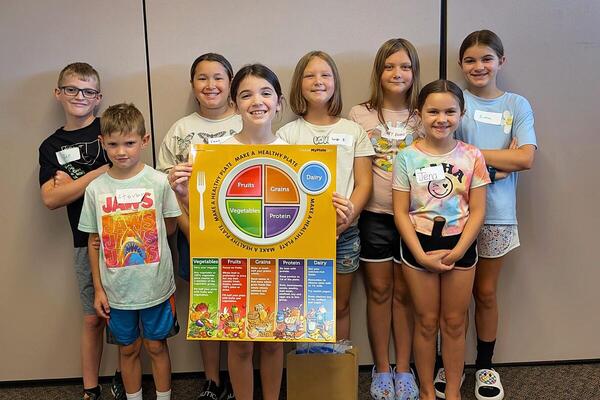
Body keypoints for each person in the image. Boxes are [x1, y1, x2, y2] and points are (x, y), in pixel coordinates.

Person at [392, 80, 490, 400]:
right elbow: (400, 212)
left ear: (461, 114)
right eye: (433, 111)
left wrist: (459, 251)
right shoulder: (407, 157)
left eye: (450, 111)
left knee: (453, 323)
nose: (441, 118)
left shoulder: (472, 155)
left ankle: (452, 392)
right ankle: (425, 392)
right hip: (418, 245)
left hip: (461, 246)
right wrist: (420, 255)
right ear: (419, 114)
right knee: (425, 322)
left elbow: (477, 211)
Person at [78, 103, 181, 400]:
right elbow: (93, 241)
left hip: (156, 288)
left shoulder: (159, 182)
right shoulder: (96, 189)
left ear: (144, 141)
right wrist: (98, 289)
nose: (121, 151)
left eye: (130, 143)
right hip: (116, 292)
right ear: (102, 143)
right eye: (113, 144)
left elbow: (170, 226)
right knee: (128, 348)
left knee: (156, 346)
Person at [454, 30, 536, 400]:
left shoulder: (516, 105)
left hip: (497, 215)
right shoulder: (456, 101)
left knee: (485, 293)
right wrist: (499, 164)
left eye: (486, 58)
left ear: (501, 61)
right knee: (452, 298)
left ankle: (485, 366)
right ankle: (449, 363)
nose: (478, 66)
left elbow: (526, 158)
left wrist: (475, 156)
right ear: (461, 64)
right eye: (470, 59)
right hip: (453, 212)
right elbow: (444, 153)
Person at [38, 62, 125, 400]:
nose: (80, 96)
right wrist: (101, 171)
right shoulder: (51, 145)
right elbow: (50, 198)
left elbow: (129, 165)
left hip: (126, 234)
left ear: (98, 97)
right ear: (58, 93)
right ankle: (91, 388)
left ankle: (123, 376)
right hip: (84, 240)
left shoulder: (111, 127)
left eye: (88, 91)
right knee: (93, 317)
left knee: (124, 316)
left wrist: (72, 183)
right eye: (72, 89)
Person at [157, 52, 241, 400]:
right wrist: (193, 230)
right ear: (192, 85)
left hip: (243, 231)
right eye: (202, 78)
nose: (211, 85)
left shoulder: (247, 120)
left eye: (218, 77)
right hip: (195, 230)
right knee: (206, 306)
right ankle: (212, 381)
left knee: (242, 303)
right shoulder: (181, 130)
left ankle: (240, 380)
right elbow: (165, 186)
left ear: (231, 82)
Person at [277, 51, 374, 340]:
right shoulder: (286, 134)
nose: (318, 81)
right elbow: (281, 190)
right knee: (301, 307)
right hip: (299, 237)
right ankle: (310, 373)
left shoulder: (353, 130)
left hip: (344, 234)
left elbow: (364, 184)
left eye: (325, 75)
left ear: (335, 82)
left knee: (340, 306)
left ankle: (336, 370)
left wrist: (346, 219)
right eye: (310, 75)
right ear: (298, 84)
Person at [349, 38, 422, 400]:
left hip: (417, 218)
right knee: (379, 292)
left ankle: (405, 370)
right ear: (379, 72)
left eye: (405, 66)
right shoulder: (358, 114)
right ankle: (381, 369)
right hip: (374, 216)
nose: (397, 73)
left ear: (414, 72)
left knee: (406, 295)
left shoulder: (426, 112)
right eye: (390, 66)